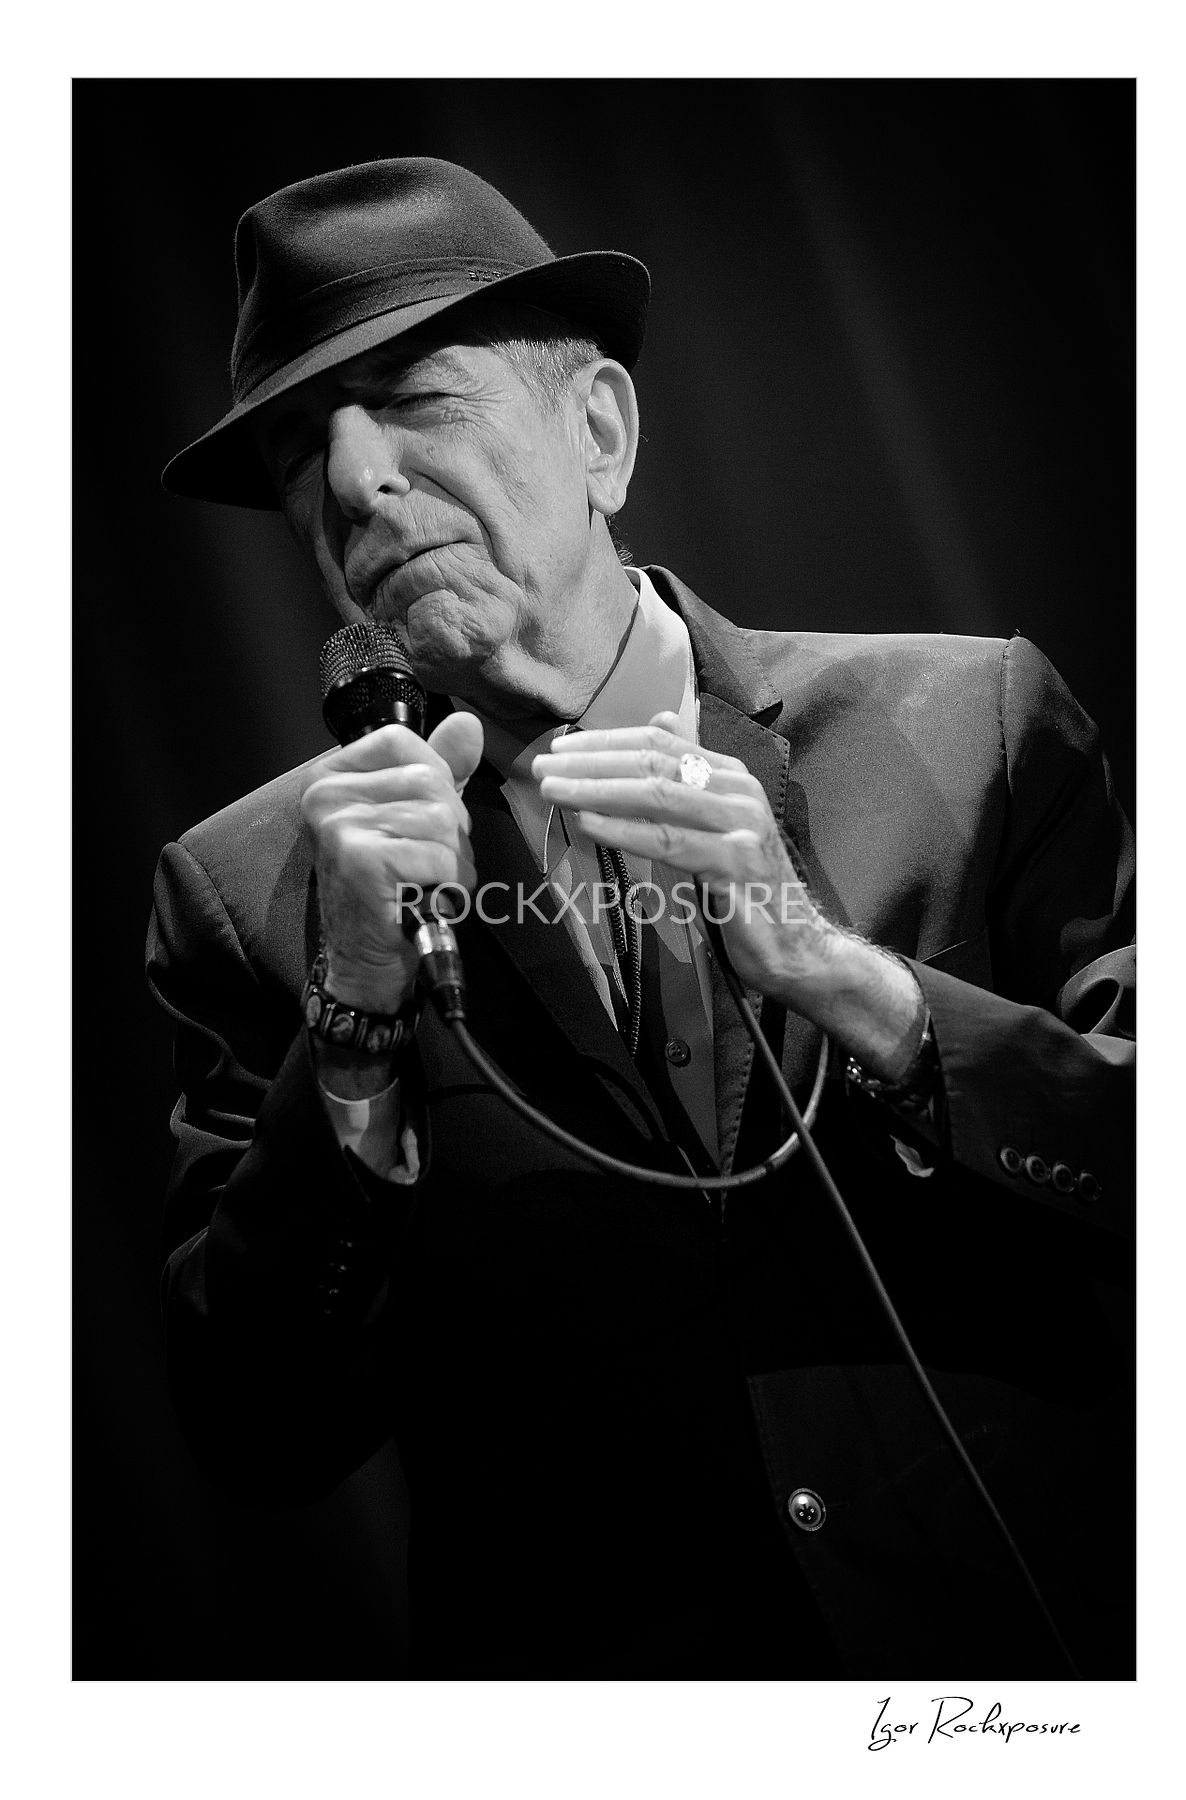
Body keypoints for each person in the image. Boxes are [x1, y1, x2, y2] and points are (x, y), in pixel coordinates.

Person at [149, 157, 1134, 1678]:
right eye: (299, 454)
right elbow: (260, 1431)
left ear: (600, 432)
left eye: (418, 400)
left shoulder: (970, 725)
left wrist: (843, 978)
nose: (351, 483)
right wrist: (351, 1028)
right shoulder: (250, 891)